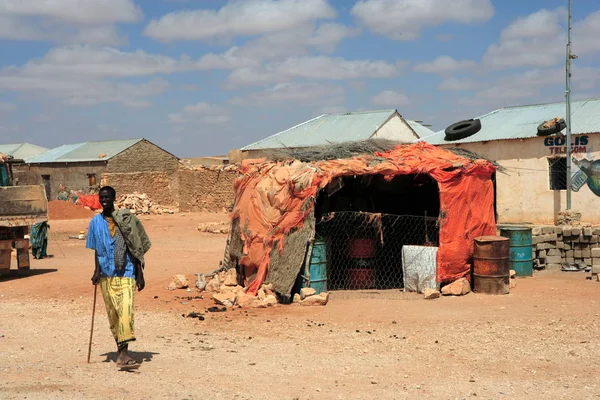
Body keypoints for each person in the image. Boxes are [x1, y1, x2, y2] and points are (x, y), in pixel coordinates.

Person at [86, 186, 151, 370]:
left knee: (125, 311)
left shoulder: (126, 219)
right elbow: (97, 249)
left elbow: (136, 246)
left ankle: (123, 354)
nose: (104, 200)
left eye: (107, 197)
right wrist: (96, 270)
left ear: (114, 198)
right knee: (113, 315)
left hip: (127, 271)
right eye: (101, 197)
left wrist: (140, 272)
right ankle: (120, 349)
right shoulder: (95, 223)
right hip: (106, 273)